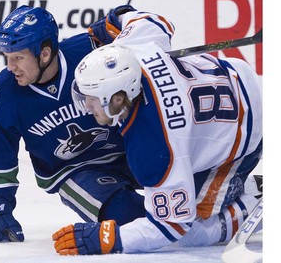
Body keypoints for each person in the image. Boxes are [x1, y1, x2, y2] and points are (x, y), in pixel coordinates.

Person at [52, 13, 263, 254]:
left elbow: (172, 226)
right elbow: (155, 22)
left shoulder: (152, 146)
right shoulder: (132, 49)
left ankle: (261, 199)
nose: (86, 107)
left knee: (194, 232)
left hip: (244, 131)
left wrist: (110, 238)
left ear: (119, 98)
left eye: (91, 99)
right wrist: (114, 21)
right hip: (236, 75)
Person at [0, 4, 157, 243]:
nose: (10, 67)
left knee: (192, 189)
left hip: (128, 148)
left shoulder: (92, 52)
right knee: (129, 216)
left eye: (17, 57)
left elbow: (144, 32)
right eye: (7, 57)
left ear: (45, 54)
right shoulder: (4, 95)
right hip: (73, 172)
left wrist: (122, 21)